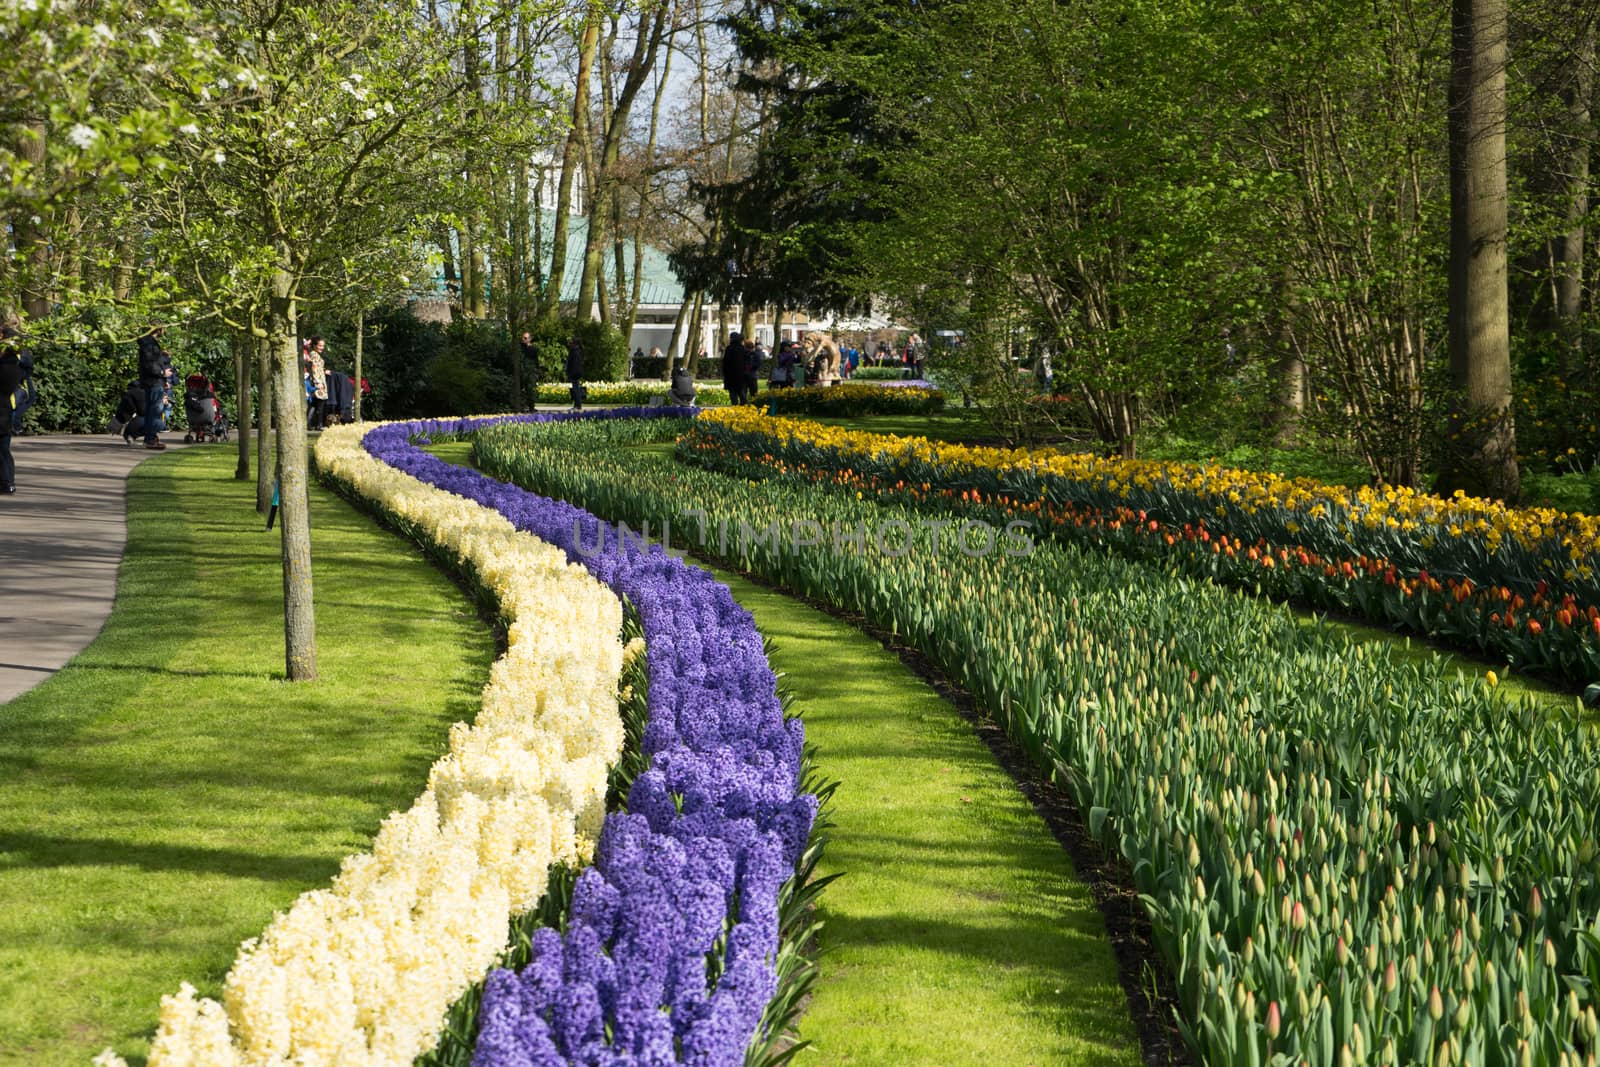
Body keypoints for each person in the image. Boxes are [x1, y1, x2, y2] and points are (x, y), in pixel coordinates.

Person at [0, 325, 25, 493]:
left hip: (3, 411)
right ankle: (7, 482)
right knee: (3, 449)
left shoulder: (9, 365)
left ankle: (7, 482)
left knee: (2, 450)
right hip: (5, 411)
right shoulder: (15, 363)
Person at [137, 325, 170, 450]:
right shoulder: (149, 344)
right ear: (158, 329)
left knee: (152, 411)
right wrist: (162, 374)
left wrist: (163, 379)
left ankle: (150, 438)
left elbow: (154, 363)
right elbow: (149, 364)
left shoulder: (149, 343)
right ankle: (150, 439)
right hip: (153, 382)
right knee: (154, 411)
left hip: (155, 381)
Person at [304, 335, 329, 429]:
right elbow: (314, 369)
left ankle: (309, 424)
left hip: (319, 380)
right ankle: (319, 424)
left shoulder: (315, 354)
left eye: (323, 346)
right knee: (320, 402)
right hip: (317, 381)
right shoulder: (314, 355)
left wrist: (324, 370)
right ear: (314, 345)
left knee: (314, 403)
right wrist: (318, 382)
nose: (322, 348)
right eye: (320, 345)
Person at [722, 332, 746, 405]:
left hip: (730, 374)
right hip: (740, 374)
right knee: (740, 391)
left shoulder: (729, 348)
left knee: (732, 392)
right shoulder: (742, 348)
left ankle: (735, 405)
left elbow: (725, 362)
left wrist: (725, 372)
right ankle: (744, 405)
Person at [519, 332, 540, 407]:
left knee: (530, 389)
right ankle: (523, 405)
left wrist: (537, 371)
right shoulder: (520, 348)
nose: (523, 339)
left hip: (530, 372)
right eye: (523, 338)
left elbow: (535, 361)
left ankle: (531, 406)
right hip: (522, 371)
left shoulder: (534, 349)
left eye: (525, 338)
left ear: (530, 339)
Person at [565, 336, 586, 410]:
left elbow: (574, 364)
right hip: (576, 373)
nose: (569, 344)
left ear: (574, 343)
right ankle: (577, 404)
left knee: (576, 389)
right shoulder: (577, 351)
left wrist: (570, 373)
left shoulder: (575, 351)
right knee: (576, 389)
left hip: (575, 373)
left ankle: (578, 405)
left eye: (571, 342)